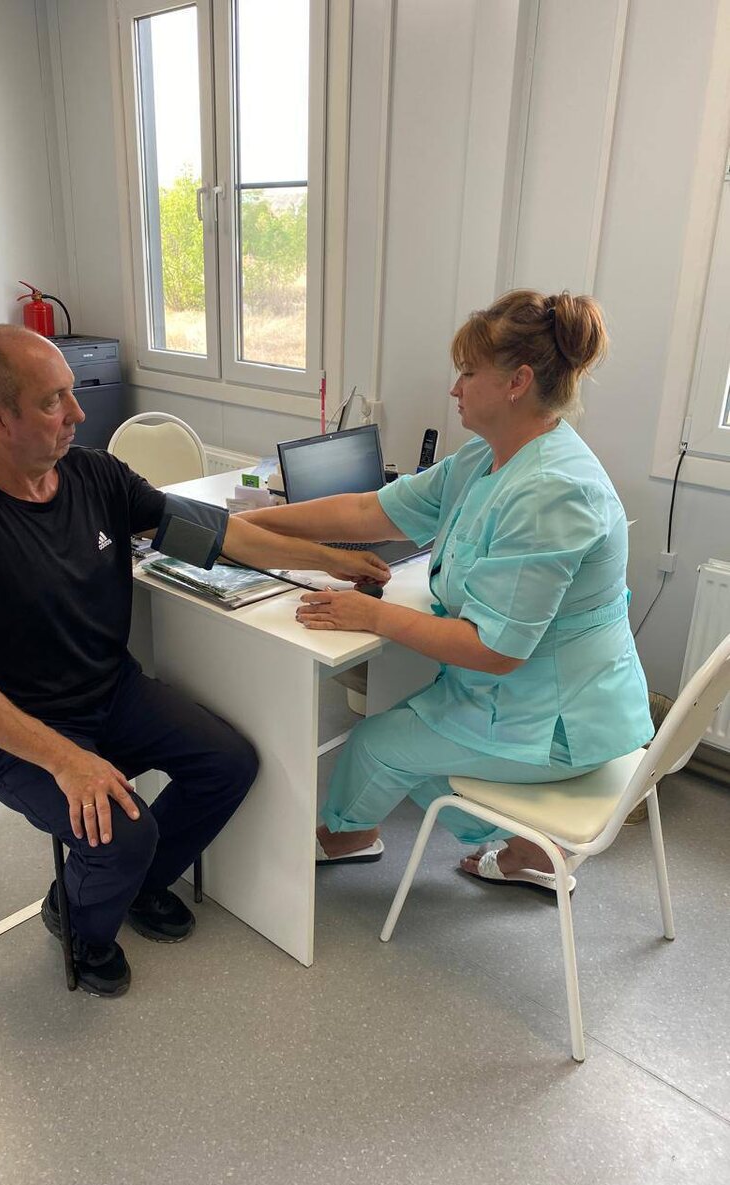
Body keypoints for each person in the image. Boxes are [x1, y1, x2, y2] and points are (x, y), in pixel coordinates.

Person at [0, 325, 389, 997]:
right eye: (53, 401)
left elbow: (220, 537)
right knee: (119, 834)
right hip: (10, 724)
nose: (77, 413)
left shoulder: (98, 477)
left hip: (108, 690)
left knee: (228, 764)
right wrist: (67, 760)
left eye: (72, 393)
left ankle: (140, 884)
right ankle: (80, 924)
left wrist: (329, 561)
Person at [239, 290, 654, 890]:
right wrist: (246, 525)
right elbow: (369, 512)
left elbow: (495, 650)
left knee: (378, 744)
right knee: (417, 732)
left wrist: (372, 616)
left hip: (560, 721)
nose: (455, 388)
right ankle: (529, 849)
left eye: (468, 373)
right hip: (537, 694)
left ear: (517, 382)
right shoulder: (490, 457)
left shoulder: (552, 491)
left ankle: (352, 837)